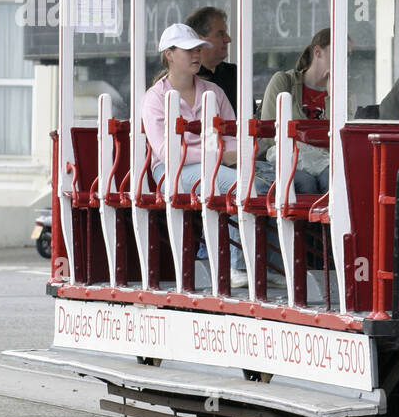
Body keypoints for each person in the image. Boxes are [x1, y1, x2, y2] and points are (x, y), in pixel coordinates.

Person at [142, 22, 245, 277]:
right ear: (169, 54)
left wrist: (230, 156)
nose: (196, 55)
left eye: (198, 50)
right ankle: (237, 265)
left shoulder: (214, 91)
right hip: (171, 171)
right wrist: (220, 156)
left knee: (270, 183)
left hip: (216, 164)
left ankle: (264, 264)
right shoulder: (155, 97)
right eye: (189, 50)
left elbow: (230, 135)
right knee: (239, 185)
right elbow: (167, 151)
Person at [259, 29, 331, 195]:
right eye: (338, 52)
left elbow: (343, 139)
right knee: (305, 183)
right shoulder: (284, 81)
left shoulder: (339, 93)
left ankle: (326, 222)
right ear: (318, 52)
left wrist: (332, 94)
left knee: (331, 179)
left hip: (325, 162)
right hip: (288, 159)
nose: (344, 60)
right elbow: (269, 135)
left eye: (347, 55)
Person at [186, 6, 238, 112]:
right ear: (199, 39)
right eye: (220, 34)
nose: (228, 39)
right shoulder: (185, 78)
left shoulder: (235, 73)